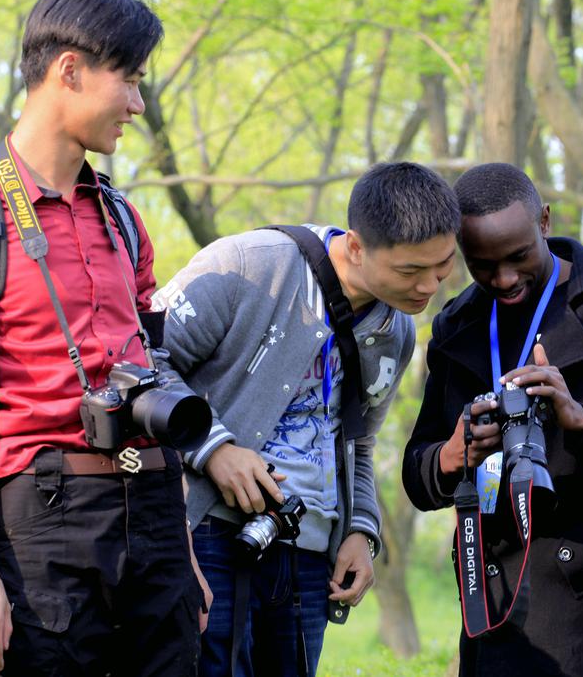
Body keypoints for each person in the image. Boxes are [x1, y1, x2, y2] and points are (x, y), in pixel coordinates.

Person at [0, 0, 206, 676]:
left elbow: (153, 368)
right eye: (129, 80)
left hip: (155, 511)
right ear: (69, 70)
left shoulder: (124, 219)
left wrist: (183, 548)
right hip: (37, 526)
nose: (137, 104)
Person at [158, 162, 460, 677]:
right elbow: (140, 361)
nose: (429, 286)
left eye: (444, 265)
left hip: (309, 559)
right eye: (411, 271)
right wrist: (215, 449)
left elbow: (359, 444)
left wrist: (360, 530)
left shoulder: (397, 332)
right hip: (210, 535)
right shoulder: (250, 266)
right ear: (357, 247)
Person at [402, 163, 583, 677]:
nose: (504, 279)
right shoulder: (456, 325)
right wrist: (452, 455)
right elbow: (417, 475)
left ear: (544, 221)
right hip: (488, 597)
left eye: (519, 257)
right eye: (482, 265)